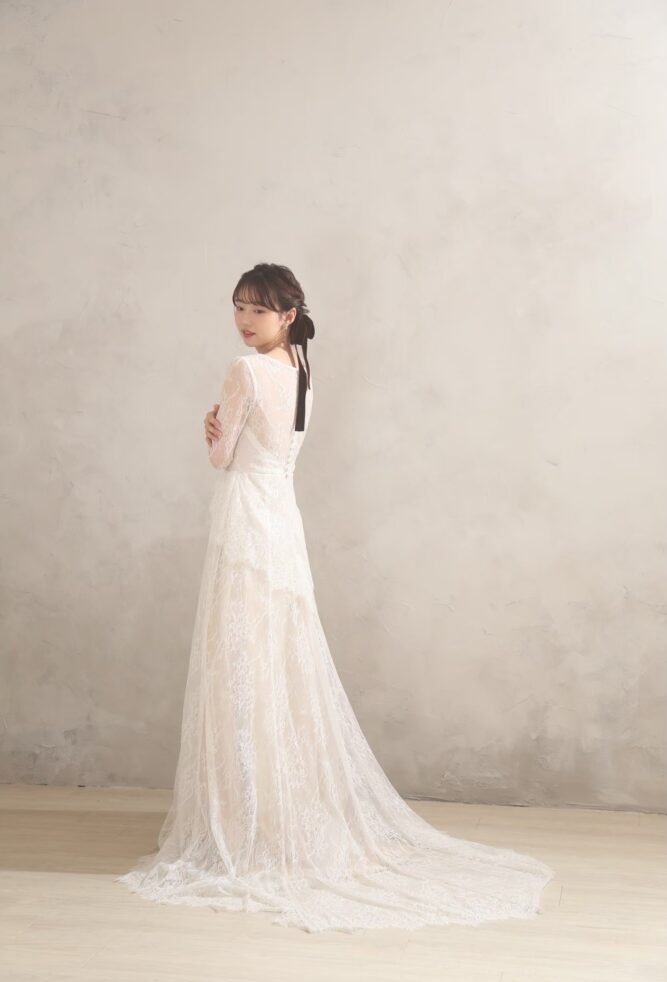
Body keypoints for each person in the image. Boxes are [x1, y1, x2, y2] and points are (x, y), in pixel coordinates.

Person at [115, 262, 554, 933]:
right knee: (277, 664)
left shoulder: (245, 371)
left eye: (258, 310)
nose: (244, 320)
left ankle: (246, 824)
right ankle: (273, 814)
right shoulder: (302, 373)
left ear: (287, 315)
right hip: (281, 525)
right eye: (238, 307)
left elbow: (223, 458)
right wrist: (224, 435)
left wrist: (211, 432)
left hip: (246, 523)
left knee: (243, 665)